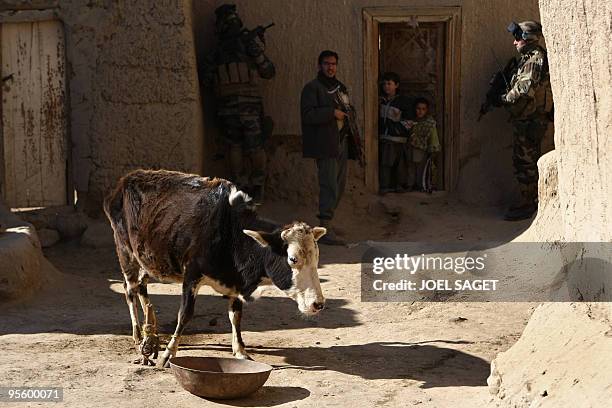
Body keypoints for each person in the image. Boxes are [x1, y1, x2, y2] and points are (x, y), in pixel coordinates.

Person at [201, 4, 275, 204]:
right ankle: (257, 186)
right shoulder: (247, 45)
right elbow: (268, 71)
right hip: (249, 107)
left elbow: (206, 81)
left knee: (234, 147)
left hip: (226, 109)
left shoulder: (214, 53)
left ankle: (240, 187)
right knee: (255, 146)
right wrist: (252, 48)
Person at [300, 50, 360, 246]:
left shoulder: (340, 87)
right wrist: (331, 112)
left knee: (340, 185)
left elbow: (347, 109)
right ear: (319, 66)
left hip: (341, 143)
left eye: (333, 63)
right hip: (325, 144)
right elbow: (308, 115)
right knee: (329, 185)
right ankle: (324, 229)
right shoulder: (312, 88)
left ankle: (328, 225)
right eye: (326, 63)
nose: (330, 67)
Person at [500, 21, 553, 221]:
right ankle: (530, 200)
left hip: (532, 120)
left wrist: (505, 98)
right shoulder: (528, 59)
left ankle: (529, 202)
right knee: (524, 161)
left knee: (526, 162)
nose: (514, 43)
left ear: (528, 38)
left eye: (517, 38)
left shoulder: (535, 59)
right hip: (527, 119)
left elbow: (524, 90)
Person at [378, 72, 413, 194]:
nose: (386, 86)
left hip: (397, 138)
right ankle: (385, 186)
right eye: (384, 84)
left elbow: (408, 121)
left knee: (399, 164)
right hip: (384, 138)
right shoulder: (380, 101)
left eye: (389, 84)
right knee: (386, 162)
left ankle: (399, 186)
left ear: (396, 85)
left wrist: (396, 129)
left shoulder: (403, 102)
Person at [408, 97, 441, 191]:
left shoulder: (430, 123)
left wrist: (432, 151)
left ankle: (421, 186)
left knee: (421, 170)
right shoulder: (411, 122)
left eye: (423, 109)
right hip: (410, 150)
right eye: (418, 108)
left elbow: (433, 138)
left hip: (423, 151)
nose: (420, 111)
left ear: (427, 110)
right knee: (410, 169)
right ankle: (410, 186)